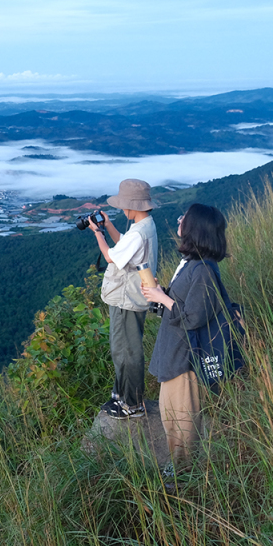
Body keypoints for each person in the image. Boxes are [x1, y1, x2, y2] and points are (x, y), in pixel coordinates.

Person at [141, 203, 229, 471]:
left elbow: (193, 317)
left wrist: (162, 298)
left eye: (183, 218)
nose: (179, 221)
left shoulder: (203, 269)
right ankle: (179, 472)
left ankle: (181, 477)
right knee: (171, 420)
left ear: (194, 229)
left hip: (186, 359)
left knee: (182, 425)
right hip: (174, 355)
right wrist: (159, 295)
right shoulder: (191, 264)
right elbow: (178, 307)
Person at [90, 179, 159, 418]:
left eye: (123, 205)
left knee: (126, 351)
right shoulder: (145, 225)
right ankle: (121, 398)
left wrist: (97, 233)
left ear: (132, 205)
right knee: (124, 348)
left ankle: (132, 405)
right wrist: (108, 226)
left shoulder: (139, 233)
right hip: (132, 296)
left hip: (126, 299)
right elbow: (123, 244)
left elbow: (110, 256)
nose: (121, 209)